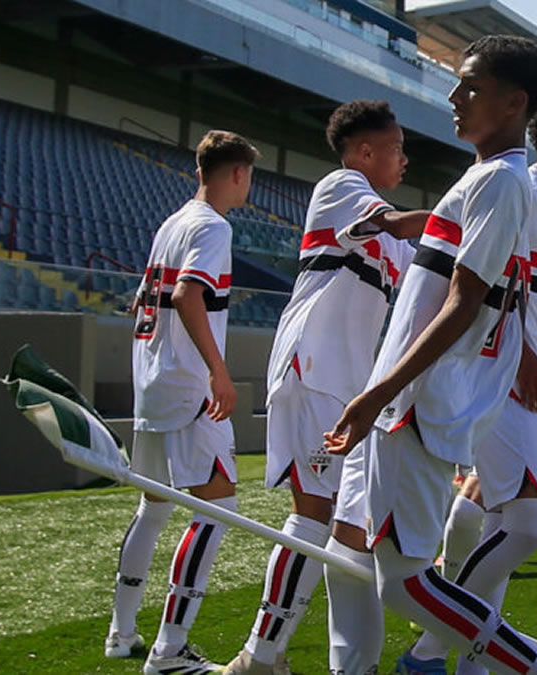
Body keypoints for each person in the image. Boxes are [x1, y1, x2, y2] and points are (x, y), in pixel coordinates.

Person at [323, 36, 537, 675]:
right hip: (408, 400)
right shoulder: (490, 177)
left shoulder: (501, 182)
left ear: (515, 102)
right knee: (392, 571)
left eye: (470, 87)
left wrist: (378, 392)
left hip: (418, 402)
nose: (454, 98)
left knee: (404, 582)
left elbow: (464, 302)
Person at [222, 101, 426, 675]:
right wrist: (470, 215)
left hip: (347, 386)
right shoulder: (343, 187)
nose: (405, 159)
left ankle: (304, 654)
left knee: (342, 518)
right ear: (364, 152)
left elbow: (432, 264)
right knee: (316, 513)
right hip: (314, 369)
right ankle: (261, 656)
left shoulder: (392, 234)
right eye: (396, 147)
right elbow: (396, 224)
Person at [409, 84, 537, 674]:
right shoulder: (531, 192)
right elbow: (497, 278)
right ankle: (428, 649)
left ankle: (466, 661)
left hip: (508, 372)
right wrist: (523, 354)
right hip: (502, 376)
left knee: (503, 521)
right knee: (524, 525)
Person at [106, 130, 259, 674]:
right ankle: (169, 650)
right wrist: (219, 371)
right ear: (237, 173)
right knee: (217, 511)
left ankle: (121, 633)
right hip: (188, 387)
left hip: (150, 382)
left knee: (153, 508)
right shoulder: (213, 227)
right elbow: (186, 293)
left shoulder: (171, 223)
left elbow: (149, 296)